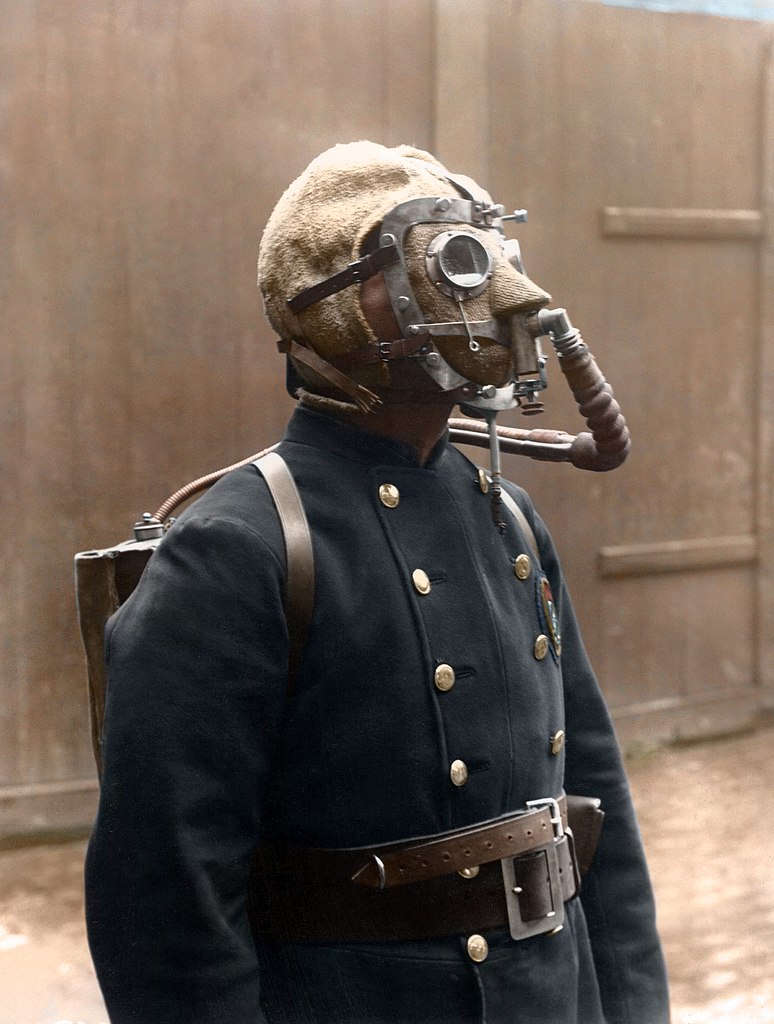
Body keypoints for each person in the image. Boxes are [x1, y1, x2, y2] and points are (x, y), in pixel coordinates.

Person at [85, 141, 670, 1024]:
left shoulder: (507, 516)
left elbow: (597, 812)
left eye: (485, 263)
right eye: (442, 267)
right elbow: (166, 897)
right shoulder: (238, 550)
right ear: (326, 311)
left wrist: (631, 1008)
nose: (495, 304)